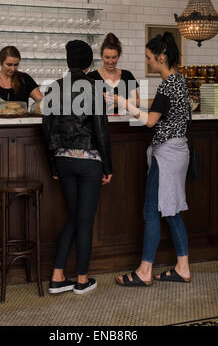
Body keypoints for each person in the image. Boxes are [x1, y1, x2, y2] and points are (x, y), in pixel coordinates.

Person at [108, 32, 191, 286]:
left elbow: (151, 120)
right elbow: (159, 105)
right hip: (178, 152)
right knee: (172, 211)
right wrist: (134, 102)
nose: (148, 62)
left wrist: (122, 102)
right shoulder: (178, 80)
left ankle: (144, 271)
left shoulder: (168, 84)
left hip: (166, 155)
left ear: (161, 56)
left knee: (152, 211)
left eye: (149, 58)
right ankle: (182, 268)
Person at [42, 40, 113, 295]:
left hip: (63, 161)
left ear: (68, 62)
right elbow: (101, 131)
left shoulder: (53, 89)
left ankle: (57, 277)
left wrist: (53, 165)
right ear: (89, 64)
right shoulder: (94, 88)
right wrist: (108, 166)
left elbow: (46, 131)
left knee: (73, 217)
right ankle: (82, 280)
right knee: (84, 220)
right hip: (88, 162)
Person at [87, 33, 139, 114]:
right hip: (99, 125)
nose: (110, 62)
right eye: (107, 57)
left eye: (114, 57)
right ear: (101, 56)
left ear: (118, 56)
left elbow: (137, 103)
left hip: (123, 124)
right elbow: (86, 106)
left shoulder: (127, 75)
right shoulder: (91, 77)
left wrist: (118, 101)